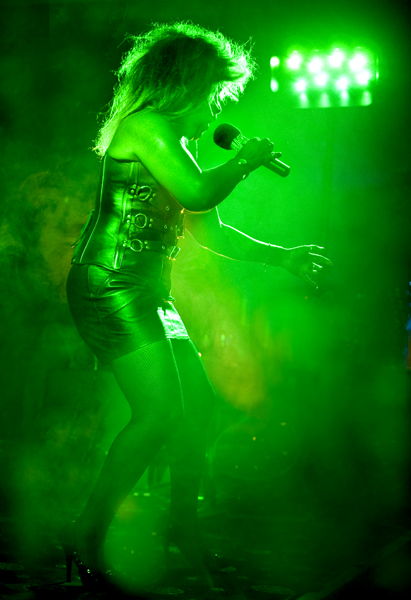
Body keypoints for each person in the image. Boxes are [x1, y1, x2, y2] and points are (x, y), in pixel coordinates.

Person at [60, 20, 333, 592]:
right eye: (214, 93)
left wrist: (284, 258)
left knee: (198, 410)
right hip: (109, 283)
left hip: (148, 291)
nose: (216, 110)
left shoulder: (177, 145)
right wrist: (246, 160)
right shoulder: (145, 127)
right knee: (158, 413)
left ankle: (183, 526)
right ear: (185, 84)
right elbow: (197, 192)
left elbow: (212, 231)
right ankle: (86, 534)